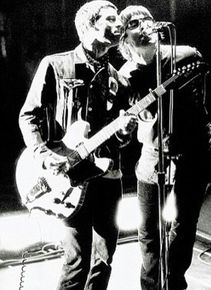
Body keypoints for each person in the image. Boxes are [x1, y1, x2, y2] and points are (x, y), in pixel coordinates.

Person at [18, 1, 138, 289]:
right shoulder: (56, 64)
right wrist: (43, 155)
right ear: (90, 24)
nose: (119, 24)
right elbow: (28, 115)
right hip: (68, 175)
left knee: (104, 256)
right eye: (111, 19)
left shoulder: (118, 79)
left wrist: (126, 131)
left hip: (107, 176)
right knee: (78, 258)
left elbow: (120, 140)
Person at [119, 5, 211, 290]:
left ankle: (174, 283)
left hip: (191, 153)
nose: (143, 26)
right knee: (148, 231)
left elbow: (202, 103)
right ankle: (151, 285)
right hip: (151, 157)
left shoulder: (186, 55)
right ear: (125, 39)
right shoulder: (127, 75)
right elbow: (128, 119)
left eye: (147, 20)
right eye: (134, 24)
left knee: (183, 225)